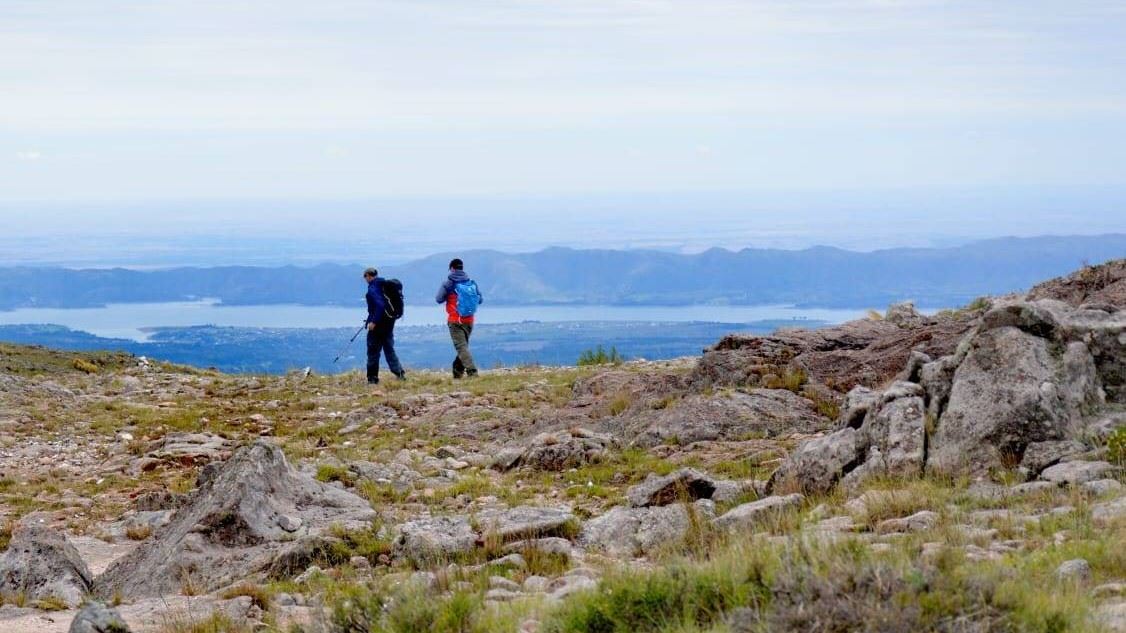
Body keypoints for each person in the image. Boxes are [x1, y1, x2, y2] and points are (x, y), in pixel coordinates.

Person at [435, 258, 482, 378]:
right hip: (469, 320)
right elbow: (480, 299)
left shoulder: (448, 283)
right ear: (462, 268)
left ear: (452, 268)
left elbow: (438, 299)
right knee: (463, 347)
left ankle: (472, 372)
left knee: (461, 347)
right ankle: (457, 372)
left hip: (455, 320)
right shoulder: (471, 282)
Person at [363, 267, 405, 384]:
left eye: (365, 276)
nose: (365, 279)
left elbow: (380, 305)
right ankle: (400, 373)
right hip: (389, 323)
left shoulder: (373, 288)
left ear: (368, 275)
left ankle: (372, 378)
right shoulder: (384, 285)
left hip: (378, 325)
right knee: (389, 348)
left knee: (373, 351)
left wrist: (373, 322)